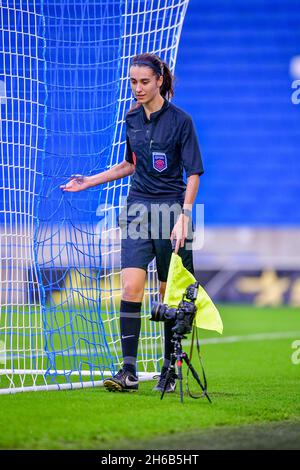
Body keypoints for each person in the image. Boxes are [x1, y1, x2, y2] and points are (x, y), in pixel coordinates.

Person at [60, 53, 204, 393]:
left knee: (170, 296)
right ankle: (128, 372)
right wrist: (90, 181)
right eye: (133, 82)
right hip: (137, 208)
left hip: (171, 211)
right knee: (129, 289)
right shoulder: (131, 118)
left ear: (159, 82)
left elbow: (194, 172)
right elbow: (130, 165)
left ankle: (170, 370)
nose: (137, 88)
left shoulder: (182, 121)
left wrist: (184, 218)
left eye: (143, 82)